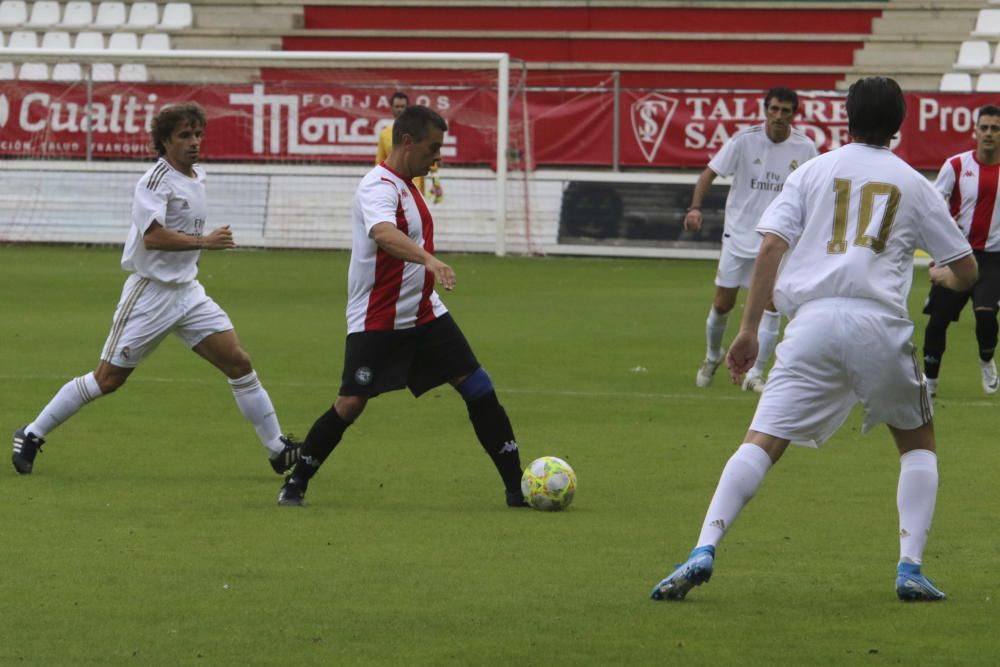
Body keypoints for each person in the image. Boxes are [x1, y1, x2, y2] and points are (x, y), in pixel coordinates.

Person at [650, 77, 977, 603]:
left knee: (762, 441)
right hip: (878, 323)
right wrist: (946, 278)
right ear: (900, 124)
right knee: (917, 442)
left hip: (813, 324)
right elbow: (967, 268)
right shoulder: (913, 183)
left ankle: (703, 547)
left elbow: (769, 249)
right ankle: (909, 567)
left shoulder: (813, 170)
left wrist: (751, 328)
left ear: (845, 118)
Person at [11, 103, 301, 477]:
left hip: (188, 293)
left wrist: (201, 247)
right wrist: (206, 241)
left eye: (197, 134)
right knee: (107, 380)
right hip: (150, 294)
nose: (194, 142)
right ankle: (32, 433)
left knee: (238, 363)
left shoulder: (199, 175)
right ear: (164, 142)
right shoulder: (153, 181)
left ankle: (277, 449)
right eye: (184, 135)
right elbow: (153, 237)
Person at [277, 105, 526, 507]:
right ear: (407, 142)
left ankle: (518, 489)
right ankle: (297, 480)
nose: (438, 157)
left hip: (425, 312)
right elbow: (382, 233)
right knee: (350, 404)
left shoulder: (410, 185)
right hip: (379, 317)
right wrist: (428, 258)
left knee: (478, 386)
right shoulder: (378, 186)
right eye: (433, 147)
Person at [685, 87, 819, 392]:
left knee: (773, 305)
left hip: (778, 239)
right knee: (722, 304)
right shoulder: (744, 141)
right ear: (765, 110)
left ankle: (755, 374)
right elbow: (709, 173)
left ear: (794, 115)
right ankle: (712, 355)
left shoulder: (805, 148)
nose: (778, 116)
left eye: (786, 111)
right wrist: (695, 208)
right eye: (773, 109)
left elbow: (816, 189)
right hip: (739, 236)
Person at [921, 104, 1000, 398]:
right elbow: (932, 204)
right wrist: (939, 242)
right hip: (957, 255)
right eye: (985, 127)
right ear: (975, 131)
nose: (989, 133)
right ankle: (930, 384)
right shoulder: (955, 165)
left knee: (986, 316)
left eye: (995, 128)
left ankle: (986, 358)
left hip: (994, 258)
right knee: (937, 322)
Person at [376, 91, 443, 203]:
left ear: (407, 108)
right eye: (397, 106)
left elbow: (431, 160)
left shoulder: (420, 132)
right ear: (391, 108)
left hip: (415, 187)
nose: (400, 109)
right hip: (393, 188)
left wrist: (436, 183)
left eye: (403, 106)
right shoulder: (385, 133)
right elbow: (380, 161)